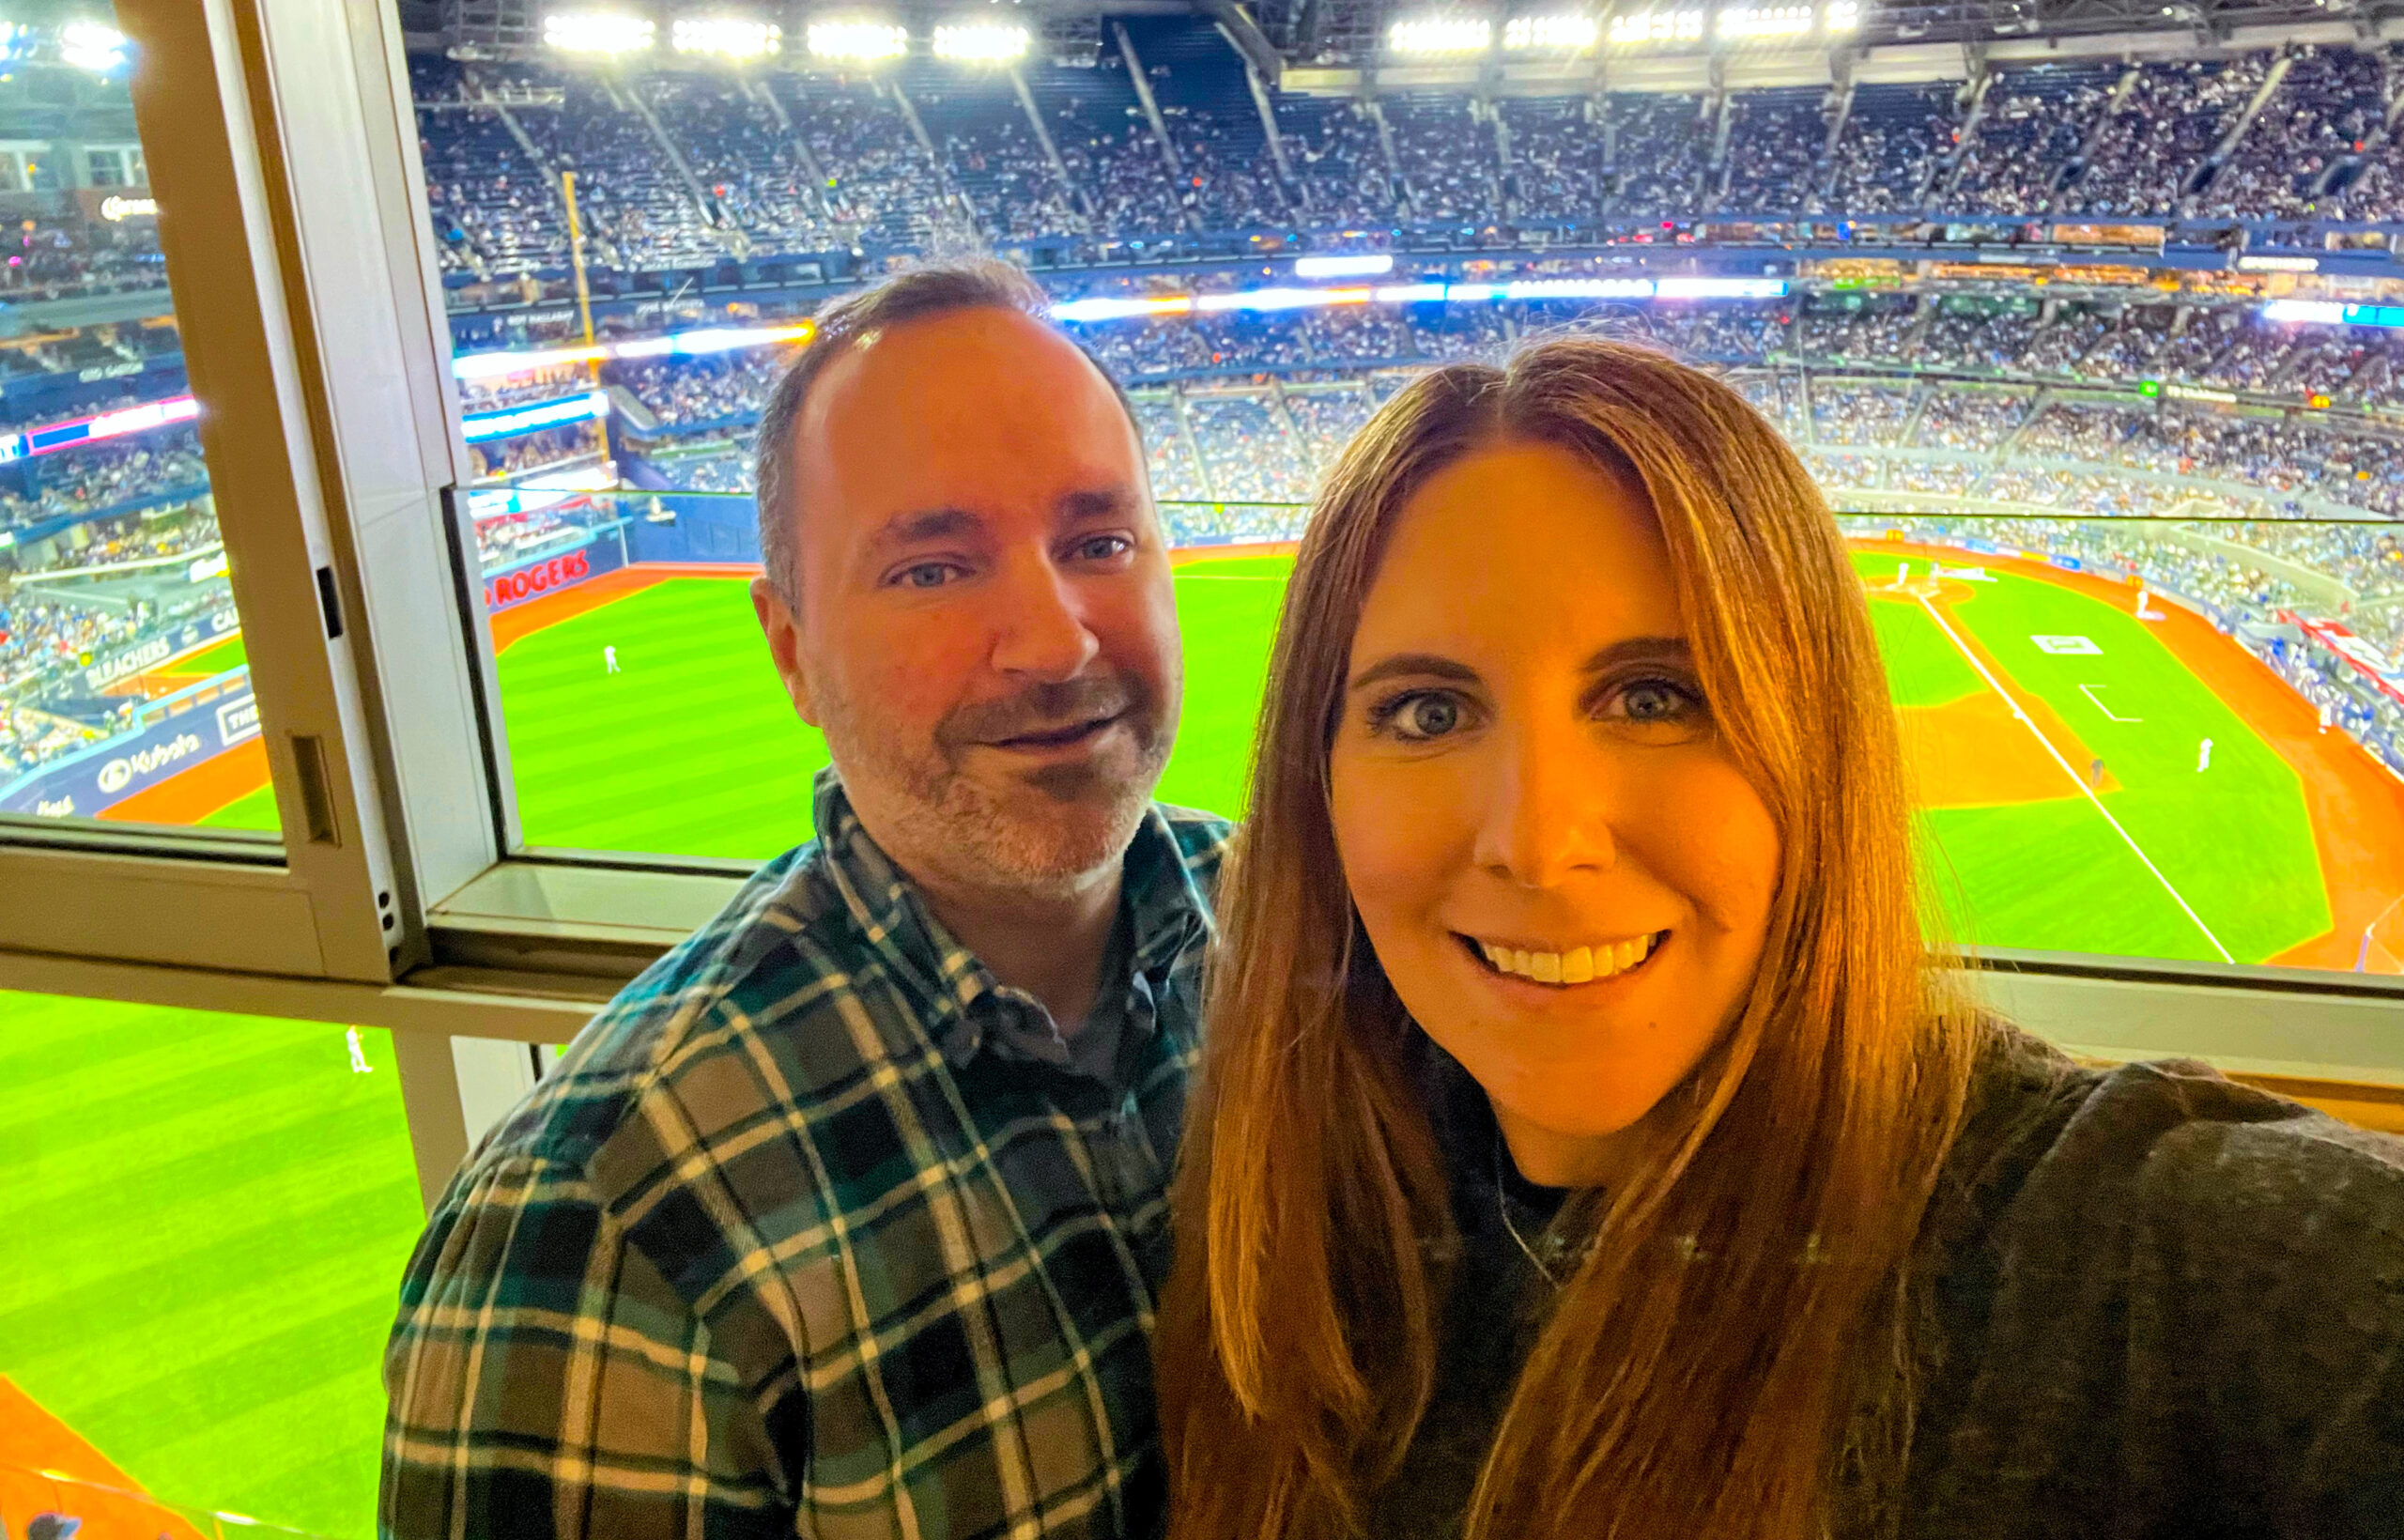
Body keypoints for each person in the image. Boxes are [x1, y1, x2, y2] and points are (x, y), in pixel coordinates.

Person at [1154, 338, 2404, 1540]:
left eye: (1658, 697)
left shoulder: (2138, 1253)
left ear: (1820, 746)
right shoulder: (1279, 1212)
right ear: (1316, 777)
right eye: (1426, 711)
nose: (1535, 844)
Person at [382, 260, 1228, 1539]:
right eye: (932, 570)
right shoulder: (602, 1225)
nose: (1055, 642)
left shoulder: (1319, 930)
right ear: (791, 650)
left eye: (1099, 542)